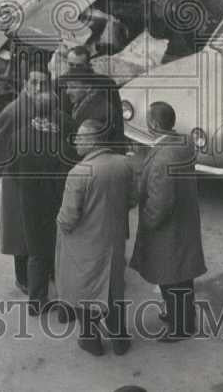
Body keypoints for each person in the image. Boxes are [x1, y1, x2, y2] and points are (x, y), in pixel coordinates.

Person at [0, 64, 75, 313]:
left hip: (32, 179)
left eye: (42, 83)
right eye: (33, 82)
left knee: (32, 234)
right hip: (19, 181)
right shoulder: (13, 111)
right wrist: (6, 174)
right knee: (20, 235)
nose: (37, 87)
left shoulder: (50, 109)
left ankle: (36, 280)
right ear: (25, 84)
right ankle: (23, 279)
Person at [55, 120, 136, 356]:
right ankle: (120, 339)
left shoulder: (79, 173)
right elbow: (132, 199)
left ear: (92, 142)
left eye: (80, 138)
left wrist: (59, 223)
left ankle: (91, 340)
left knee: (85, 291)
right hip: (114, 239)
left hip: (85, 244)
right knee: (112, 290)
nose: (76, 142)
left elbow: (68, 217)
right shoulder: (124, 164)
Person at [129, 102, 207, 341]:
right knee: (182, 277)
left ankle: (180, 327)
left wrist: (149, 223)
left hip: (167, 230)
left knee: (171, 279)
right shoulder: (183, 144)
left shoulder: (163, 159)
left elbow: (161, 202)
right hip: (183, 223)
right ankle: (182, 318)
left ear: (153, 124)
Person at [55, 45, 125, 149]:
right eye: (71, 65)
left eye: (79, 66)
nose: (74, 70)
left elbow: (118, 120)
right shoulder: (59, 83)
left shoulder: (107, 84)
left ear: (88, 65)